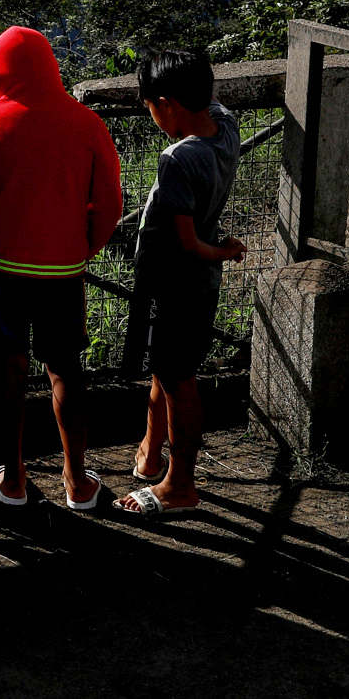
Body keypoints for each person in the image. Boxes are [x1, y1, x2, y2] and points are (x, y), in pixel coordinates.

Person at [0, 26, 124, 511]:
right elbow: (110, 205)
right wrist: (82, 248)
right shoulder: (87, 123)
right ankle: (77, 481)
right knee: (66, 370)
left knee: (8, 369)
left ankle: (13, 480)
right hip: (63, 270)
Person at [117, 49, 244, 518]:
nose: (150, 114)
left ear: (167, 103)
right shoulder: (225, 130)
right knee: (167, 369)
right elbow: (215, 101)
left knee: (178, 380)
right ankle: (151, 455)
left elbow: (188, 244)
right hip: (197, 288)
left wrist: (225, 250)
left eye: (150, 104)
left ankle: (180, 484)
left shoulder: (178, 159)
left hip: (175, 284)